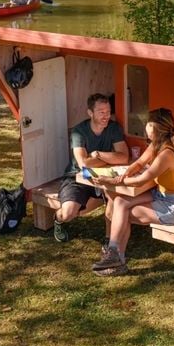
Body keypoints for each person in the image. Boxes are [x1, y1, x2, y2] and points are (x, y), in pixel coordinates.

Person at [92, 108, 174, 276]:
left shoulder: (166, 154)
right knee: (120, 202)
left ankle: (116, 257)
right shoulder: (157, 145)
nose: (145, 126)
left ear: (155, 127)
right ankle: (115, 255)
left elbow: (142, 179)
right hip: (162, 195)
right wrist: (127, 172)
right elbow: (139, 163)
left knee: (125, 212)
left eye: (148, 123)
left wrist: (113, 181)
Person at [54, 93, 129, 243]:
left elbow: (124, 157)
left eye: (108, 112)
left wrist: (98, 155)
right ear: (90, 113)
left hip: (105, 176)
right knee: (69, 214)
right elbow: (83, 164)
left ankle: (109, 241)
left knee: (113, 201)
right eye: (101, 112)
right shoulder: (79, 131)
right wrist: (109, 159)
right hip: (77, 177)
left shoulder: (114, 128)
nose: (106, 116)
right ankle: (58, 220)